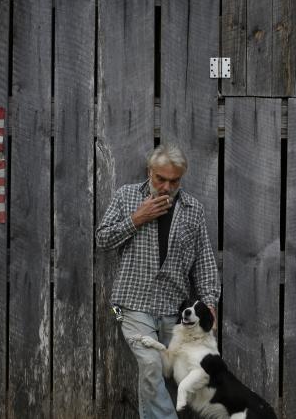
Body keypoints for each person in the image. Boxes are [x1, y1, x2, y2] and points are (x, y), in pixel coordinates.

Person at [95, 143, 220, 419]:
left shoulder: (192, 209)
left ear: (181, 178)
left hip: (174, 308)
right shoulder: (126, 196)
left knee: (172, 374)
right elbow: (102, 239)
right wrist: (136, 219)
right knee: (151, 365)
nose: (165, 187)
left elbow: (204, 261)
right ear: (150, 172)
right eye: (160, 179)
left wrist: (209, 301)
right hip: (131, 303)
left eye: (173, 181)